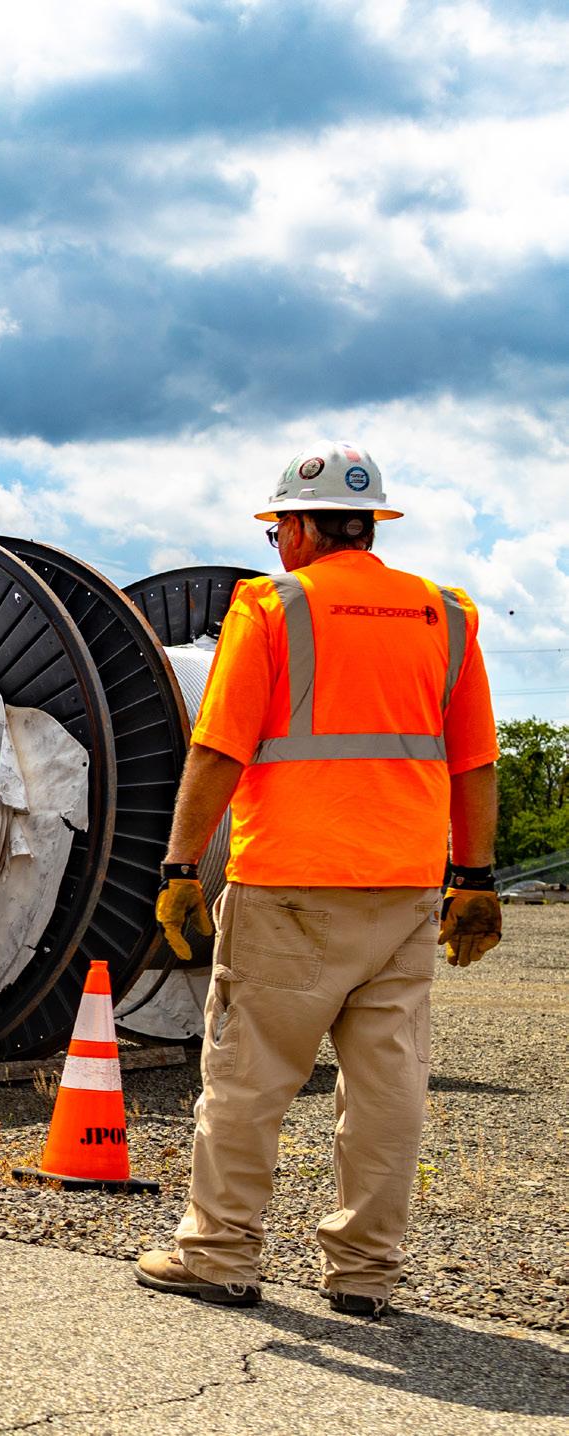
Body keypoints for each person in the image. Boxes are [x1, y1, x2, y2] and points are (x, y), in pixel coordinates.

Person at [140, 442, 501, 1319]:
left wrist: (181, 865)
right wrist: (474, 879)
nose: (277, 547)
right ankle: (365, 1275)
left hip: (288, 888)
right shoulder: (446, 616)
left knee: (248, 1078)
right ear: (368, 525)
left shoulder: (270, 608)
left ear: (298, 528)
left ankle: (219, 1255)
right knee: (386, 1090)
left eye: (277, 532)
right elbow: (475, 763)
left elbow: (218, 749)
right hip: (404, 891)